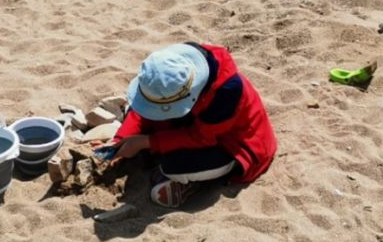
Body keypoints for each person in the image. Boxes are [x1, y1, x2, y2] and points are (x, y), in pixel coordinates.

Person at [97, 42, 277, 208]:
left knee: (173, 167)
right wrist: (120, 139)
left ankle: (193, 184)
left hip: (232, 142)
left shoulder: (227, 91)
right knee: (138, 109)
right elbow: (143, 110)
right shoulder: (176, 65)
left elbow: (201, 137)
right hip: (195, 121)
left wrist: (145, 142)